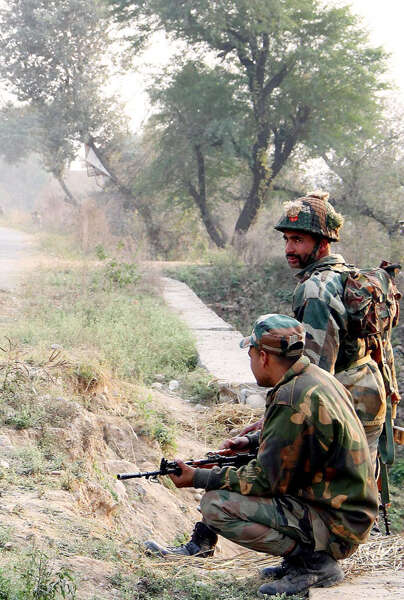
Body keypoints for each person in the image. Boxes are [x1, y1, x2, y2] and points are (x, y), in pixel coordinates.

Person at [144, 314, 378, 596]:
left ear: (264, 357)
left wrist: (200, 477)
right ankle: (287, 559)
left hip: (338, 525)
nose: (251, 361)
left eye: (251, 354)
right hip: (345, 512)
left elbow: (265, 481)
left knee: (216, 504)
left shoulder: (291, 397)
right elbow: (300, 433)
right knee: (232, 478)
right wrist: (252, 441)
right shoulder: (315, 378)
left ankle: (315, 563)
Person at [274, 192, 389, 466]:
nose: (289, 249)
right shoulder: (346, 273)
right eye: (286, 239)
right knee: (362, 482)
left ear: (323, 243)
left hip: (346, 405)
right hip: (367, 395)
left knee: (336, 487)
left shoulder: (316, 289)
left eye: (298, 240)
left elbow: (314, 374)